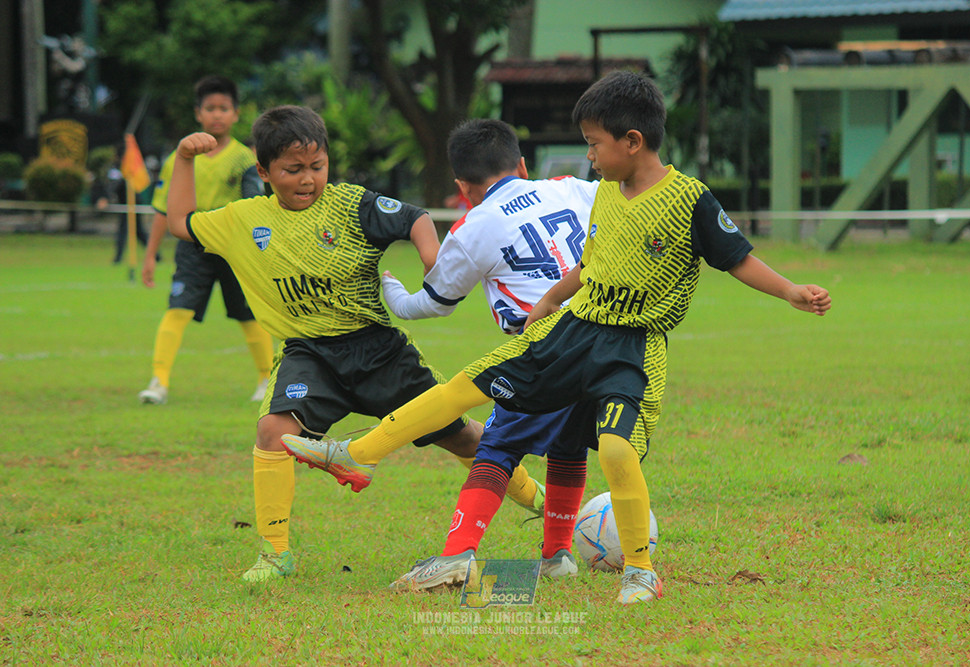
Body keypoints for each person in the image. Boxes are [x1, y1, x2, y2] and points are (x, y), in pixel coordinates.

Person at [280, 71, 832, 604]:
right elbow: (591, 263)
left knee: (614, 449)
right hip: (571, 330)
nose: (588, 156)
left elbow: (739, 259)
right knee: (465, 386)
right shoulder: (606, 195)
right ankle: (355, 454)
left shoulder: (690, 200)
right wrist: (547, 302)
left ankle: (640, 572)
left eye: (594, 144)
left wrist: (789, 291)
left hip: (631, 347)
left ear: (633, 141)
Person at [163, 105, 545, 582]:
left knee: (464, 435)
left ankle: (540, 501)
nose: (308, 179)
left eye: (317, 167)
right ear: (264, 171)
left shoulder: (348, 204)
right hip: (309, 354)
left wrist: (432, 259)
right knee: (272, 432)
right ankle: (275, 553)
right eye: (293, 169)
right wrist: (182, 159)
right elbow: (179, 220)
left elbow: (416, 218)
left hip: (378, 350)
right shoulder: (243, 220)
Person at [373, 118, 599, 589]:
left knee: (497, 447)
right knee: (568, 443)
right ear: (521, 163)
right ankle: (558, 554)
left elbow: (431, 303)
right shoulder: (573, 188)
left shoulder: (474, 225)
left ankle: (457, 556)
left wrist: (393, 294)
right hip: (603, 337)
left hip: (544, 346)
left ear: (462, 187)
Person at [138, 75, 273, 406]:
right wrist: (150, 255)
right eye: (210, 108)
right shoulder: (178, 159)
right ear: (197, 113)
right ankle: (159, 382)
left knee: (248, 314)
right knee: (178, 309)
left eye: (224, 108)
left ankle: (266, 379)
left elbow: (255, 209)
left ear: (236, 114)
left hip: (233, 247)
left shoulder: (245, 160)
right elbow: (162, 210)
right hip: (192, 245)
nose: (217, 115)